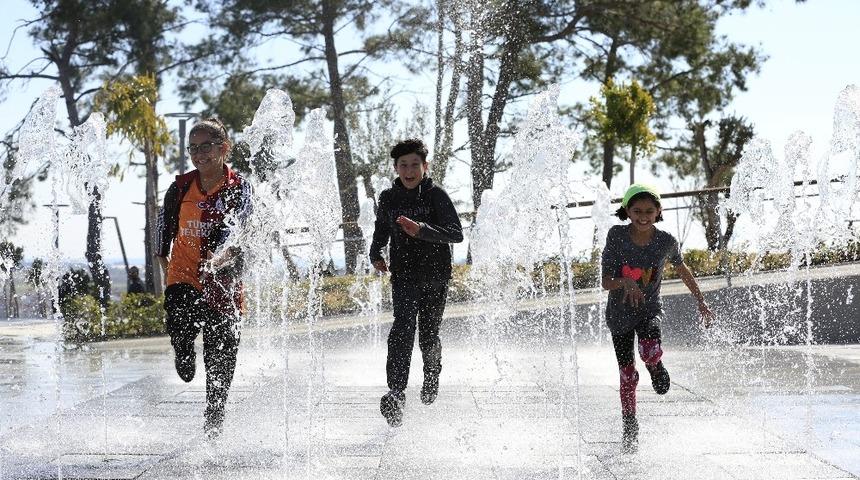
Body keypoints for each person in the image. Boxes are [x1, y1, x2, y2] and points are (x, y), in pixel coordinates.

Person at [155, 117, 252, 438]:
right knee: (180, 327)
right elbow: (163, 227)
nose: (199, 154)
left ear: (224, 149)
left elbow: (241, 231)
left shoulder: (240, 188)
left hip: (224, 284)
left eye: (206, 147)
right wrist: (161, 260)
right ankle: (183, 348)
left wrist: (221, 257)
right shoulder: (181, 186)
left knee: (220, 353)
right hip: (183, 275)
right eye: (193, 148)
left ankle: (215, 412)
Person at [601, 183, 715, 454]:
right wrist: (625, 282)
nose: (643, 215)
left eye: (649, 211)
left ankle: (654, 366)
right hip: (619, 315)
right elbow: (606, 282)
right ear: (627, 210)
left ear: (658, 211)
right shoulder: (616, 236)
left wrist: (701, 301)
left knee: (650, 350)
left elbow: (683, 269)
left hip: (649, 310)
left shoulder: (665, 242)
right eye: (637, 210)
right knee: (627, 375)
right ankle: (630, 423)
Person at [369, 138, 463, 427]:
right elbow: (381, 229)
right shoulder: (388, 198)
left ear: (425, 166)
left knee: (428, 334)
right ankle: (396, 393)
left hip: (436, 276)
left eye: (414, 165)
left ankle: (432, 373)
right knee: (402, 329)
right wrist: (375, 252)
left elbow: (455, 233)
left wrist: (421, 229)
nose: (408, 171)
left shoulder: (437, 196)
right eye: (402, 165)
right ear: (396, 168)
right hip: (404, 276)